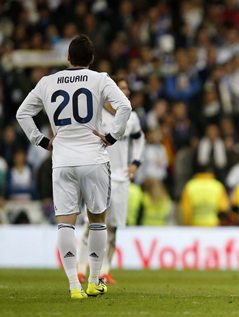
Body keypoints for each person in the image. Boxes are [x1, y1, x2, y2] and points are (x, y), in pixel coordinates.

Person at [16, 35, 131, 299]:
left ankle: (73, 286)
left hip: (63, 159)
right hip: (94, 159)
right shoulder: (100, 78)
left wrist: (42, 141)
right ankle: (93, 280)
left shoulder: (47, 82)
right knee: (98, 221)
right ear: (91, 59)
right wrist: (113, 136)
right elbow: (124, 106)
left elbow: (22, 113)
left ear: (67, 58)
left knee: (65, 224)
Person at [78, 77, 145, 284]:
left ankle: (105, 271)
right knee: (92, 223)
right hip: (99, 176)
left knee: (113, 227)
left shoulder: (131, 117)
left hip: (121, 179)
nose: (127, 92)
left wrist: (135, 163)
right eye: (122, 88)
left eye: (127, 89)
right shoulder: (96, 115)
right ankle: (81, 268)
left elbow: (139, 138)